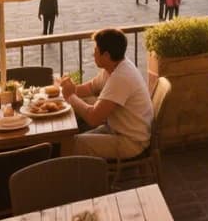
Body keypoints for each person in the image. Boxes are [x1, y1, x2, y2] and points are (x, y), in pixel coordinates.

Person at [60, 28, 153, 159]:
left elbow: (93, 118)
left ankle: (76, 178)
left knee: (70, 145)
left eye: (95, 51)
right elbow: (91, 88)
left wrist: (70, 96)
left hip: (131, 141)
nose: (93, 55)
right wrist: (71, 88)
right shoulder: (114, 66)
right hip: (116, 130)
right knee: (70, 138)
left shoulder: (121, 77)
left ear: (106, 56)